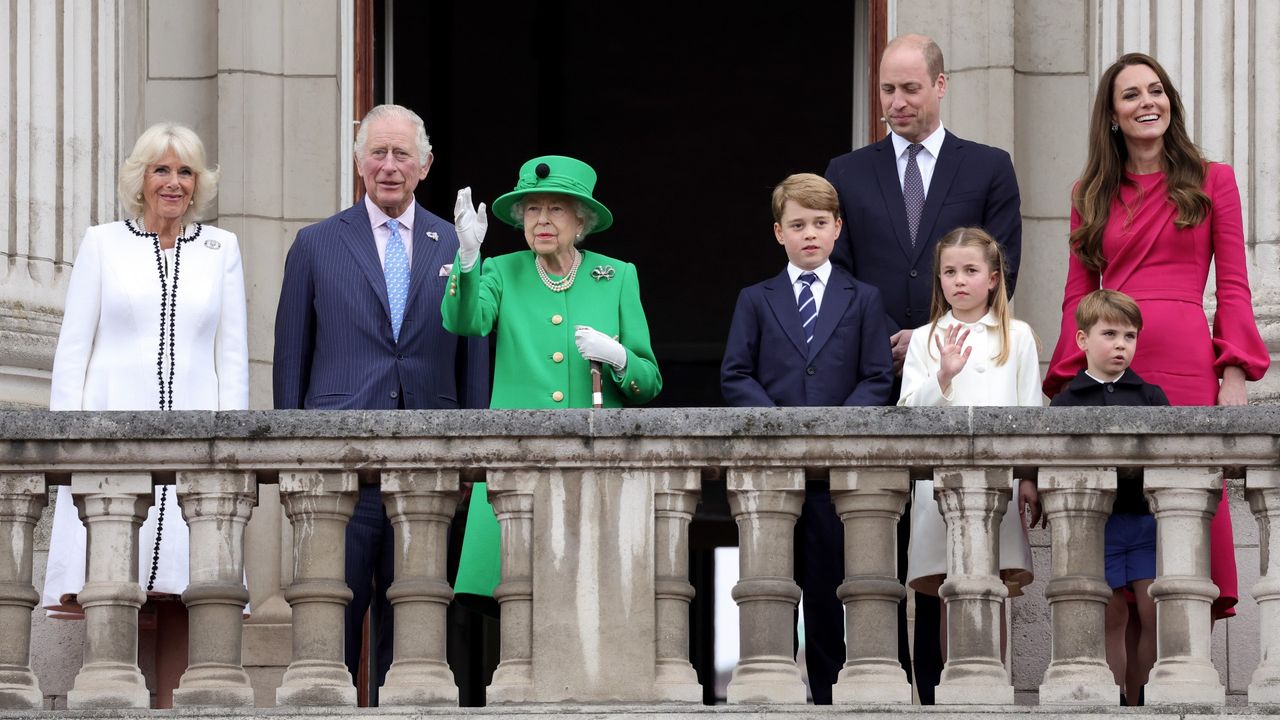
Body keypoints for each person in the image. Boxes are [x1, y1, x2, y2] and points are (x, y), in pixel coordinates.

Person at [823, 33, 1023, 702]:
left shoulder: (988, 167)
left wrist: (937, 337)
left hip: (960, 372)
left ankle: (949, 690)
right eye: (886, 89)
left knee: (950, 543)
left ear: (942, 85)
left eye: (910, 88)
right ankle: (878, 688)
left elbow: (1004, 264)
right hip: (874, 378)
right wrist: (892, 339)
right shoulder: (846, 173)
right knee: (876, 539)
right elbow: (838, 274)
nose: (896, 102)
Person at [272, 103, 490, 699]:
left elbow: (475, 353)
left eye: (402, 155)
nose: (389, 166)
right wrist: (294, 455)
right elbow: (292, 355)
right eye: (378, 153)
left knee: (417, 630)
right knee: (329, 624)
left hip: (430, 468)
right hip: (338, 469)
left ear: (425, 165)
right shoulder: (315, 244)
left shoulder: (457, 244)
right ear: (358, 161)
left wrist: (473, 456)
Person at [1043, 52, 1270, 621]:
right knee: (1118, 524)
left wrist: (1234, 372)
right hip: (1115, 367)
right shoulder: (1088, 192)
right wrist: (1073, 380)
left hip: (1189, 365)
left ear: (1170, 101)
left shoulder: (1213, 179)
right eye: (1131, 95)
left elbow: (1235, 285)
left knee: (1187, 510)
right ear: (1112, 116)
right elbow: (1077, 297)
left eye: (1156, 91)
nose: (1148, 102)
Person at [44, 122, 247, 708]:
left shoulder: (221, 249)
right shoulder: (102, 244)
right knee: (112, 592)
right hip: (112, 448)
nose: (174, 183)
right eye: (162, 169)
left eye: (185, 171)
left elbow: (231, 358)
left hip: (196, 451)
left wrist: (231, 454)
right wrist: (66, 447)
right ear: (141, 178)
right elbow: (73, 353)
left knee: (191, 591)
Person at [442, 155, 660, 601]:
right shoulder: (501, 270)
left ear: (582, 220)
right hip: (519, 462)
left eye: (556, 209)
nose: (542, 220)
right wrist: (467, 259)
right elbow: (466, 322)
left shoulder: (616, 276)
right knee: (518, 597)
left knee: (592, 597)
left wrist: (619, 358)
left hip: (593, 465)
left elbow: (649, 380)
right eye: (533, 209)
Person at [720, 173, 893, 703]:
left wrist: (836, 427)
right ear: (779, 232)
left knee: (828, 591)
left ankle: (827, 700)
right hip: (774, 474)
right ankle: (775, 698)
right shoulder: (755, 298)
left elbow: (878, 377)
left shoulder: (863, 299)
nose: (809, 233)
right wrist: (775, 423)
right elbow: (735, 373)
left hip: (837, 477)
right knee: (771, 589)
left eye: (820, 223)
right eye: (798, 224)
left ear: (837, 228)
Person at [897, 227, 1040, 659]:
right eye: (949, 272)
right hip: (939, 486)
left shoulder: (1018, 336)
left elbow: (1031, 413)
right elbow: (906, 415)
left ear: (994, 278)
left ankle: (991, 683)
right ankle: (953, 687)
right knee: (948, 591)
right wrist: (943, 375)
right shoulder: (924, 338)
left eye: (971, 270)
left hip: (1000, 483)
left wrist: (1030, 477)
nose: (959, 280)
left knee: (990, 586)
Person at [1050, 289, 1168, 705]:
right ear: (1082, 340)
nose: (1121, 344)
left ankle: (1144, 700)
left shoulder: (1151, 397)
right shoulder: (1066, 402)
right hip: (1097, 527)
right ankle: (1115, 702)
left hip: (1144, 521)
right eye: (1110, 334)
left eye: (1130, 336)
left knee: (1154, 611)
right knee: (1111, 613)